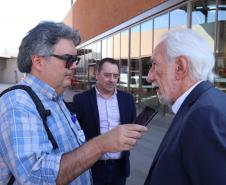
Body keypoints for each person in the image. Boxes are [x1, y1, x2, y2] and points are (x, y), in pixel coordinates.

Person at [0, 21, 147, 185]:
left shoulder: (57, 100)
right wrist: (101, 144)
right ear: (38, 62)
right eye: (68, 59)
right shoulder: (18, 104)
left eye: (76, 59)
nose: (75, 66)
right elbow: (35, 178)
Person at [144, 28, 226, 185]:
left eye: (154, 64)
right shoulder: (205, 103)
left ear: (179, 68)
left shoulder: (203, 115)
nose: (149, 76)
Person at [72, 58, 136, 185]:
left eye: (115, 76)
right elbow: (75, 132)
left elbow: (131, 125)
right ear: (97, 74)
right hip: (91, 167)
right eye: (107, 75)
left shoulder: (128, 99)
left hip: (119, 168)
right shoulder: (80, 100)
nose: (112, 80)